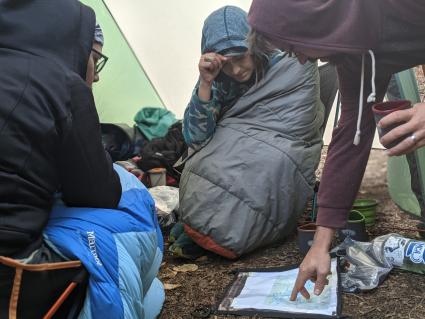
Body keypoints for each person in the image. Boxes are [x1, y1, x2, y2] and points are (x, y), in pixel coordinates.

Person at [248, 0, 425, 300]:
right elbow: (348, 139)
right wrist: (321, 242)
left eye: (295, 49)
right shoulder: (354, 56)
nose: (303, 60)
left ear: (311, 21)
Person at [172, 6, 324, 259]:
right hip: (235, 145)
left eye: (241, 57)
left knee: (272, 162)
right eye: (226, 64)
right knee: (206, 161)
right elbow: (196, 139)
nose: (236, 70)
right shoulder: (219, 80)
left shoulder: (290, 61)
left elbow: (299, 123)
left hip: (283, 143)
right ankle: (207, 226)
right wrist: (206, 83)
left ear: (255, 45)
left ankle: (221, 230)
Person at [0, 0, 121, 311]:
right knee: (127, 211)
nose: (95, 75)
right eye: (94, 58)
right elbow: (99, 193)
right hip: (11, 273)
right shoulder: (63, 84)